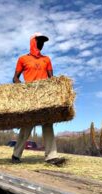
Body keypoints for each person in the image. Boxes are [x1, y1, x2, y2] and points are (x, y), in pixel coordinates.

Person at [11, 32, 65, 166]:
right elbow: (15, 78)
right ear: (33, 42)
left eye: (43, 42)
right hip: (30, 97)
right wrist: (24, 88)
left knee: (48, 125)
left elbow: (52, 79)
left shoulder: (46, 59)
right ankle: (16, 155)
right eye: (39, 41)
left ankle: (51, 156)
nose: (41, 44)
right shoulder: (23, 59)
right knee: (26, 127)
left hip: (44, 96)